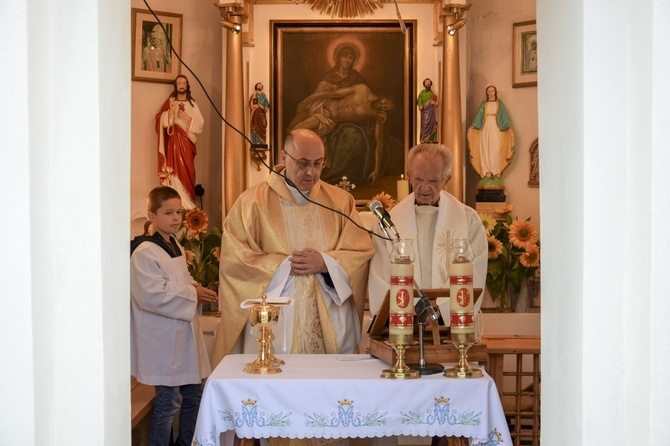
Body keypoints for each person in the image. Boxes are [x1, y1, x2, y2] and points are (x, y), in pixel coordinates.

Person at [211, 128, 375, 366]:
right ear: (283, 157)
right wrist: (284, 265)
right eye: (303, 163)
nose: (311, 172)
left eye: (318, 164)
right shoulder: (251, 203)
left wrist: (325, 263)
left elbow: (360, 251)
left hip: (328, 317)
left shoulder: (340, 201)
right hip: (277, 323)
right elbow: (236, 261)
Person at [130, 186, 218, 446]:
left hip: (183, 336)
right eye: (168, 212)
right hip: (162, 340)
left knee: (195, 396)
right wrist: (193, 294)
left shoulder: (174, 244)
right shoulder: (144, 251)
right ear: (151, 215)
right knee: (167, 404)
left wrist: (196, 289)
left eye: (179, 212)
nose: (176, 218)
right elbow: (150, 294)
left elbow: (183, 280)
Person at [367, 144, 487, 317]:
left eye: (433, 181)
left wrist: (440, 313)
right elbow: (380, 277)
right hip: (406, 325)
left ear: (446, 179)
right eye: (418, 179)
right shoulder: (389, 224)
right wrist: (406, 314)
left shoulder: (468, 221)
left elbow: (475, 273)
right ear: (409, 176)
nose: (424, 188)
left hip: (451, 329)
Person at [287, 83, 394, 185]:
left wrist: (376, 170)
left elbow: (379, 144)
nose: (383, 105)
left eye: (386, 108)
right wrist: (312, 97)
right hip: (322, 105)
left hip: (326, 118)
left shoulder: (375, 115)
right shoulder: (362, 89)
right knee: (289, 128)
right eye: (386, 102)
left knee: (294, 132)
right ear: (384, 96)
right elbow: (335, 93)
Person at [156, 75, 204, 209]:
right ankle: (177, 203)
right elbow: (161, 120)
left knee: (187, 168)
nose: (181, 85)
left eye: (184, 83)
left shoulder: (193, 105)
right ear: (176, 86)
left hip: (187, 142)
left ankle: (188, 204)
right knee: (174, 168)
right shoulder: (171, 102)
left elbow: (200, 124)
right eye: (179, 83)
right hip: (173, 141)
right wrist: (170, 112)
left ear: (187, 85)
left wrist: (188, 118)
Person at [467, 84, 515, 179]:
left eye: (492, 91)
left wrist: (509, 127)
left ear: (495, 92)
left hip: (496, 128)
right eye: (489, 91)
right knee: (486, 148)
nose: (490, 92)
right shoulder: (484, 104)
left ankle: (496, 170)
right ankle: (487, 170)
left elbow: (504, 117)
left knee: (496, 148)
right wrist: (472, 127)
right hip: (485, 128)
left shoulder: (499, 104)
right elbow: (479, 116)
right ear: (487, 93)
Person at [417, 78, 438, 143]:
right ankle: (424, 139)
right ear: (424, 84)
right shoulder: (422, 93)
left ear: (430, 84)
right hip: (425, 112)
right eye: (426, 82)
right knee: (425, 125)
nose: (428, 83)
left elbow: (436, 100)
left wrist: (434, 103)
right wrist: (420, 105)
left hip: (431, 111)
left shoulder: (433, 92)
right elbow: (419, 99)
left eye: (429, 82)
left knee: (432, 124)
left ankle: (433, 139)